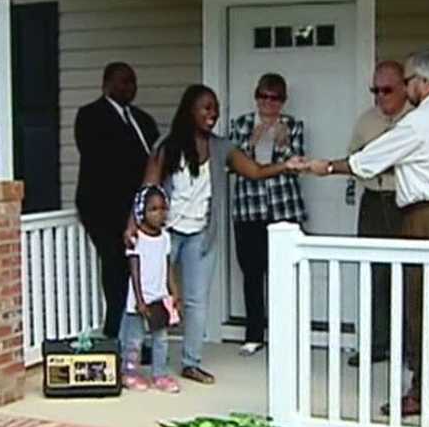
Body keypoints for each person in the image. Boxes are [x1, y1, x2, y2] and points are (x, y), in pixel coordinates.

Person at [303, 48, 429, 417]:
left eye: (407, 81)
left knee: (421, 308)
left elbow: (370, 159)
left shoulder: (422, 121)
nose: (405, 87)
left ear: (423, 81)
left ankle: (423, 391)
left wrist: (323, 167)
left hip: (427, 218)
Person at [126, 84, 306, 385]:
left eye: (215, 108)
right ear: (190, 111)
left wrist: (286, 165)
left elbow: (255, 171)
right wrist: (132, 222)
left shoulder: (221, 147)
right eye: (206, 108)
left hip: (200, 235)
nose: (213, 114)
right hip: (164, 234)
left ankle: (190, 363)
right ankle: (133, 359)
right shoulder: (168, 147)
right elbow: (148, 186)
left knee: (196, 302)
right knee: (148, 294)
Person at [74, 62, 160, 341]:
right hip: (103, 209)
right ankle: (114, 336)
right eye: (123, 82)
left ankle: (135, 338)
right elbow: (102, 159)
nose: (129, 88)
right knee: (116, 269)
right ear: (107, 84)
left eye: (133, 82)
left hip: (136, 210)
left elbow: (156, 156)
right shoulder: (89, 116)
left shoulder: (142, 120)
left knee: (142, 272)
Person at [227, 73, 308, 356]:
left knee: (286, 274)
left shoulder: (294, 125)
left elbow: (299, 164)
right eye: (263, 96)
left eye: (275, 98)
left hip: (283, 207)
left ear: (283, 101)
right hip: (249, 210)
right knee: (252, 274)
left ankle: (287, 334)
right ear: (256, 96)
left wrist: (284, 145)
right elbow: (231, 165)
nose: (268, 103)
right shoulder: (240, 124)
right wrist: (251, 143)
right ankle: (254, 335)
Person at [345, 60, 413, 368]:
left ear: (403, 88)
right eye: (375, 90)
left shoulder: (417, 120)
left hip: (405, 202)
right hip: (374, 200)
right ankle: (376, 343)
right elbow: (353, 157)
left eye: (386, 90)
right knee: (375, 274)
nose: (380, 97)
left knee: (410, 277)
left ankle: (412, 349)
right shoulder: (366, 121)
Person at [120, 185, 181, 394]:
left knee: (161, 338)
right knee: (134, 340)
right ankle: (129, 373)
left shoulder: (165, 238)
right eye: (153, 209)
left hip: (159, 297)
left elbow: (168, 267)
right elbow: (134, 271)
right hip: (140, 299)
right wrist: (139, 300)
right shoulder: (137, 238)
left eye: (163, 208)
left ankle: (159, 374)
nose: (159, 213)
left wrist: (174, 293)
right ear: (141, 212)